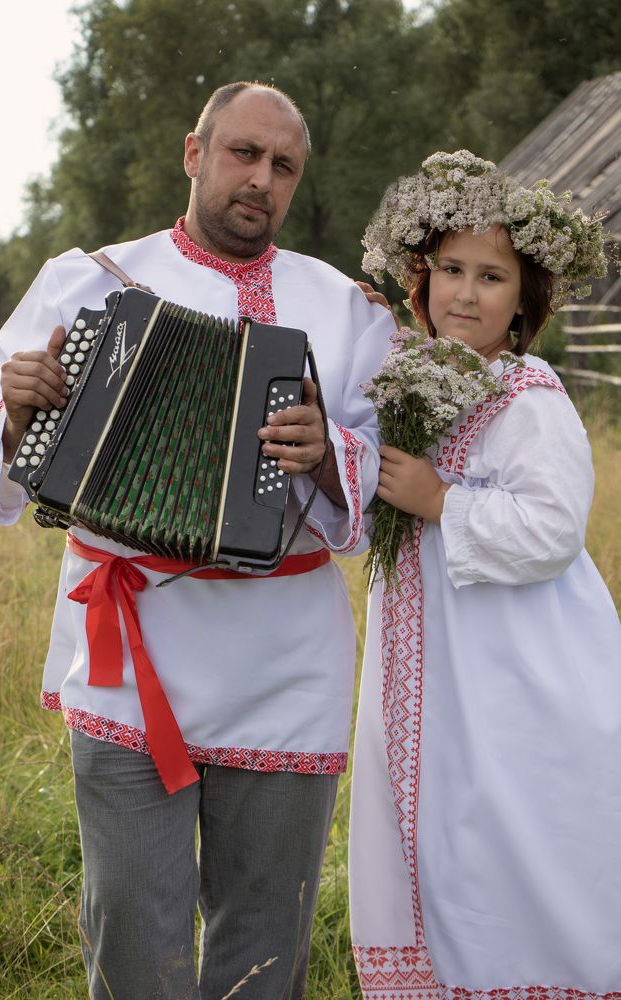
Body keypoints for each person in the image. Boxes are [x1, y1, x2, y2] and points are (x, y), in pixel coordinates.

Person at [0, 82, 396, 1000]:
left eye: (284, 165)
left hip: (285, 663)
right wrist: (20, 401)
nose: (262, 179)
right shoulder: (90, 278)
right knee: (132, 929)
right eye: (244, 153)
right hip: (128, 654)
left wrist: (327, 452)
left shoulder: (346, 310)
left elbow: (379, 468)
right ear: (194, 154)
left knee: (266, 937)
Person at [348, 150, 621, 999]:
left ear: (524, 298)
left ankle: (522, 975)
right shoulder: (418, 381)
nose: (466, 293)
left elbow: (551, 529)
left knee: (504, 828)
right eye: (451, 269)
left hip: (513, 671)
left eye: (492, 276)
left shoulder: (529, 395)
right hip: (434, 667)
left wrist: (440, 500)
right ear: (422, 278)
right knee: (439, 823)